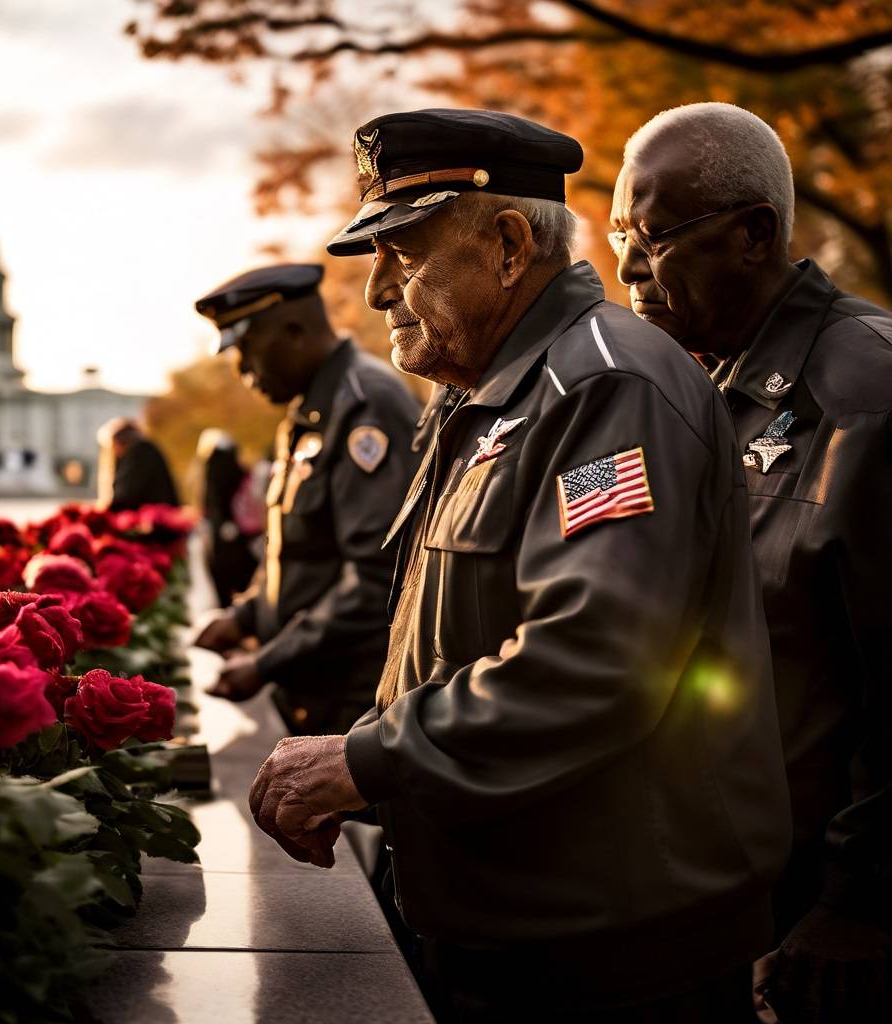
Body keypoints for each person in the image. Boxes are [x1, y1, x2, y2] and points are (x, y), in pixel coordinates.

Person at [246, 108, 793, 1022]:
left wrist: (369, 760)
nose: (378, 291)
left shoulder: (606, 387)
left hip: (604, 953)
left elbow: (594, 659)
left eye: (404, 256)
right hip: (523, 923)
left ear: (506, 244)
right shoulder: (494, 394)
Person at [610, 102, 892, 1024]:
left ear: (752, 234)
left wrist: (859, 903)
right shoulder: (701, 383)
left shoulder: (867, 391)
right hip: (714, 891)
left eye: (651, 237)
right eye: (619, 235)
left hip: (821, 922)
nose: (625, 268)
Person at [192, 263, 420, 735]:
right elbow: (295, 551)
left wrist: (264, 663)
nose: (242, 372)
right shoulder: (309, 410)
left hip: (357, 702)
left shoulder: (363, 404)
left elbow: (376, 579)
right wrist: (244, 615)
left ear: (293, 330)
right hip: (317, 693)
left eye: (246, 351)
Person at [192, 428, 262, 606]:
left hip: (228, 533)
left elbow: (215, 499)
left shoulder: (216, 465)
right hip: (235, 532)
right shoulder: (233, 466)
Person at [100, 417, 179, 511]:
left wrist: (107, 509)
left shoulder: (140, 451)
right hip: (158, 512)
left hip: (155, 516)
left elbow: (126, 493)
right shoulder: (144, 449)